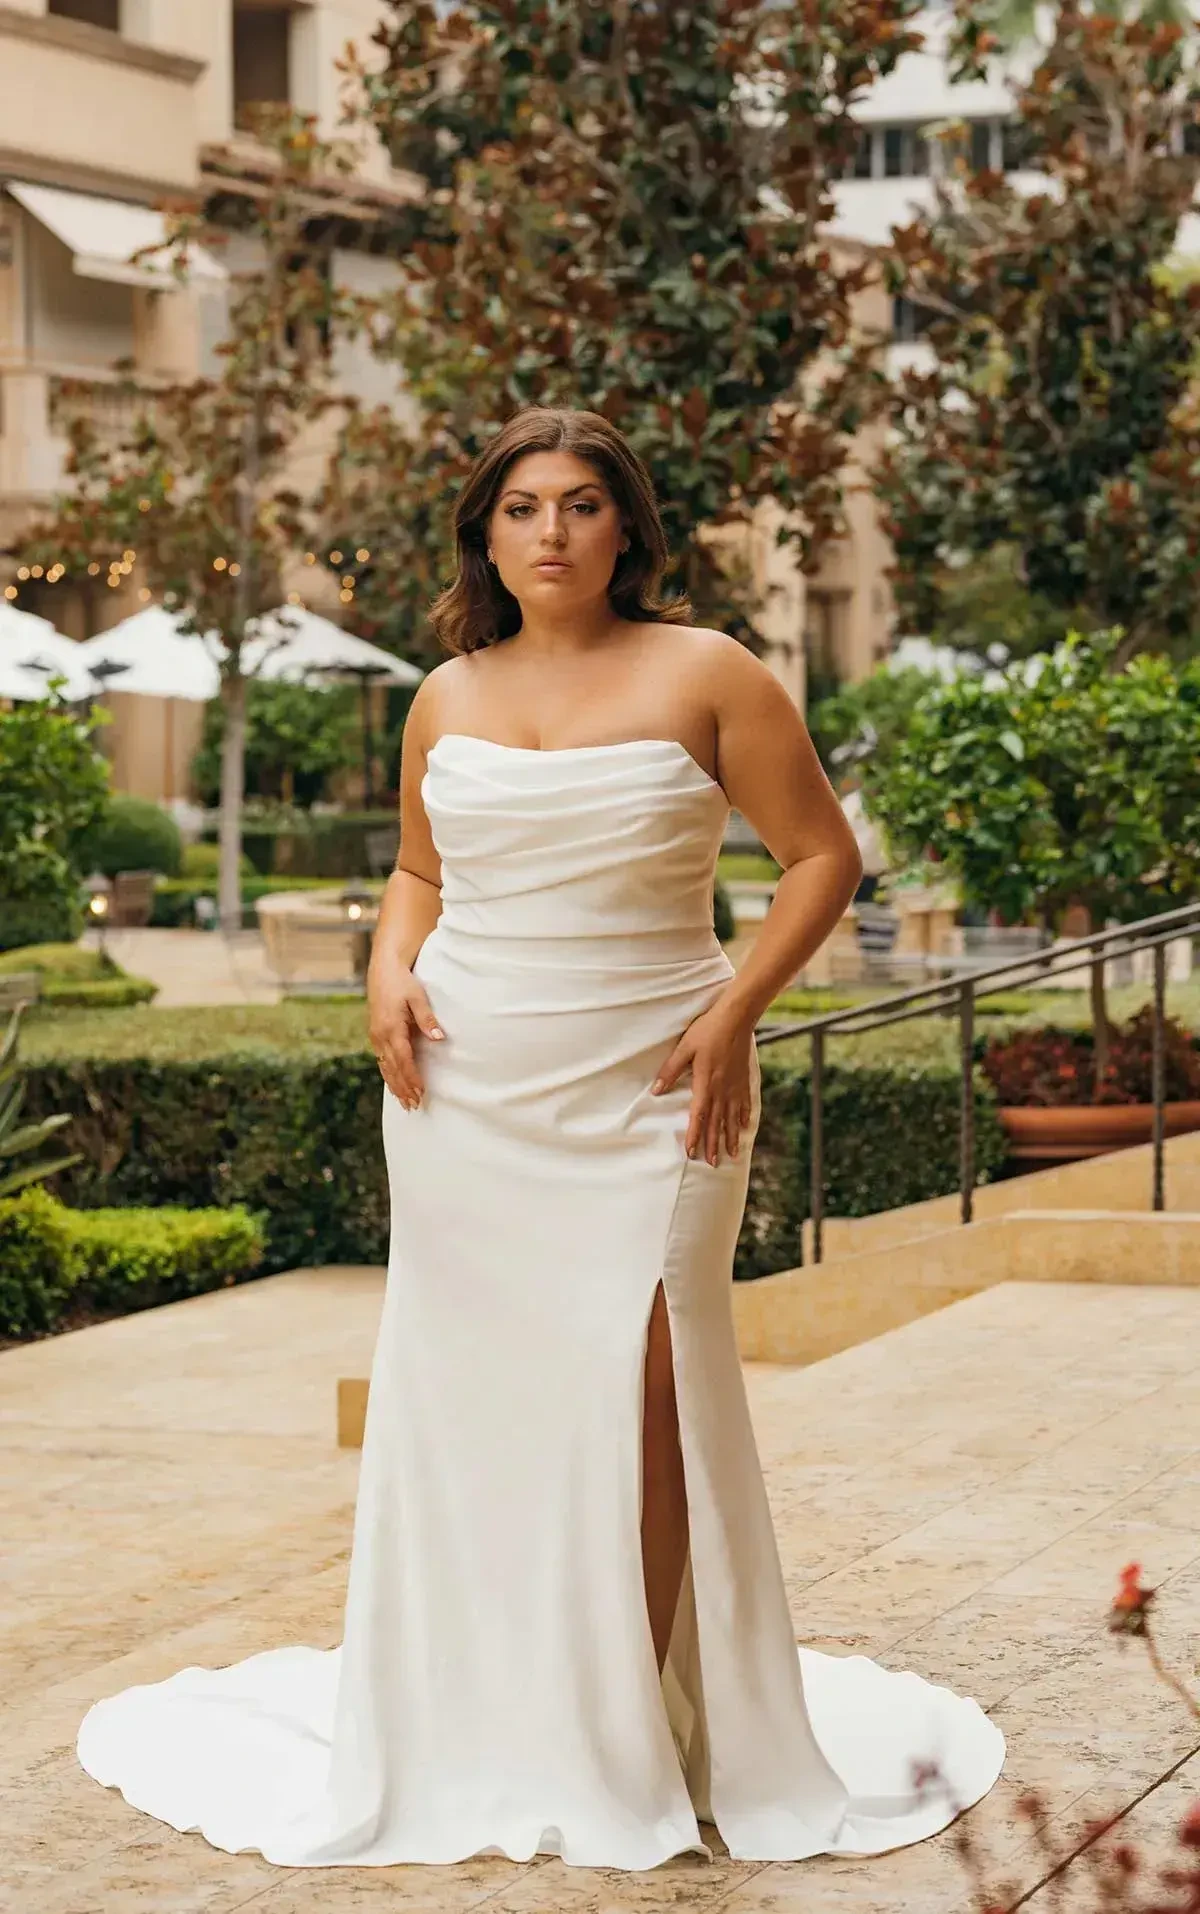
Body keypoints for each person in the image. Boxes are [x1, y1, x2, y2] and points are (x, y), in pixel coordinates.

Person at [75, 407, 1004, 1871]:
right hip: (468, 1087)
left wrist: (739, 1011)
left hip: (659, 1077)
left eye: (580, 503)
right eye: (522, 507)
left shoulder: (711, 671)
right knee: (479, 1397)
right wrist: (390, 966)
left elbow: (825, 857)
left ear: (627, 525)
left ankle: (626, 1718)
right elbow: (415, 869)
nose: (552, 531)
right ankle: (492, 1711)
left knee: (646, 1383)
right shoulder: (443, 693)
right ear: (486, 533)